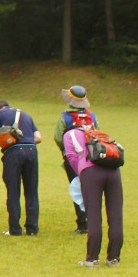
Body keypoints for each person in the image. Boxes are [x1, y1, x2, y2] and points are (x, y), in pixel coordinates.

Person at [63, 123, 124, 267]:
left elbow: (72, 157)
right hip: (113, 171)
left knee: (94, 215)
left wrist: (81, 174)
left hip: (91, 173)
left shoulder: (69, 134)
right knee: (116, 215)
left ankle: (92, 258)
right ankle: (113, 257)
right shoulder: (96, 133)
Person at [0, 101, 41, 236]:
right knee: (31, 191)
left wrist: (7, 143)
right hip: (32, 151)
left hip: (13, 153)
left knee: (13, 191)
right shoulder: (27, 115)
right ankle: (32, 229)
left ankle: (15, 229)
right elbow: (38, 138)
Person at [53, 85, 98, 234]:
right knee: (91, 189)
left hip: (72, 159)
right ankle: (94, 222)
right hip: (91, 158)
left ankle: (82, 224)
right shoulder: (92, 116)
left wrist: (66, 149)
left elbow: (58, 138)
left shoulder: (64, 116)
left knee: (76, 188)